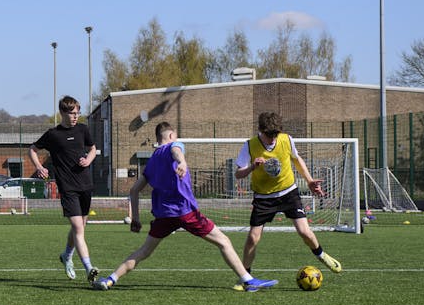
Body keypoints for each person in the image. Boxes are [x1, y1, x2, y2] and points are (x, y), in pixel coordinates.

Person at [101, 122, 279, 291]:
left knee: (144, 251)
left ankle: (110, 279)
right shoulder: (175, 145)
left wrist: (136, 219)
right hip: (185, 211)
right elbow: (176, 150)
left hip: (164, 215)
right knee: (223, 241)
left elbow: (134, 190)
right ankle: (248, 281)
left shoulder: (152, 160)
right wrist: (182, 162)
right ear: (171, 135)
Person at [235, 111, 343, 281]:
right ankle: (246, 278)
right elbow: (238, 174)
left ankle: (322, 255)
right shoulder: (249, 145)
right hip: (264, 198)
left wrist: (309, 181)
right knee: (252, 239)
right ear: (260, 131)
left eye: (275, 134)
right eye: (269, 135)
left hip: (288, 192)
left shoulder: (286, 139)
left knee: (305, 232)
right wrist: (251, 167)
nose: (273, 138)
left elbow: (297, 159)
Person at [29, 95, 100, 286]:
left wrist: (88, 160)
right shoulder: (53, 135)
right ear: (62, 113)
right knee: (78, 228)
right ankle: (89, 268)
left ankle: (66, 255)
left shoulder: (83, 130)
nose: (76, 117)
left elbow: (93, 148)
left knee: (80, 227)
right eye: (72, 113)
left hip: (85, 184)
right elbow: (33, 149)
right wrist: (39, 167)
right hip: (67, 187)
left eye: (77, 113)